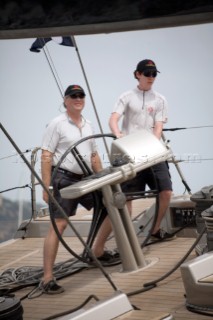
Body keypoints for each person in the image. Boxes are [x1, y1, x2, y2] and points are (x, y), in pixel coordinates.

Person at [40, 84, 116, 294]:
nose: (78, 98)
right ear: (65, 101)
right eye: (73, 96)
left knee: (111, 206)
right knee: (60, 225)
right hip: (63, 179)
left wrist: (103, 180)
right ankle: (47, 279)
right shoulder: (56, 124)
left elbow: (94, 155)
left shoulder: (89, 125)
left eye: (81, 95)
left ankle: (97, 251)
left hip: (87, 179)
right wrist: (46, 186)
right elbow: (46, 155)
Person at [108, 59, 174, 241]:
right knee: (127, 197)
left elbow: (158, 127)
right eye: (147, 73)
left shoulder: (160, 100)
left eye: (154, 74)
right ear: (138, 74)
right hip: (130, 153)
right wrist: (117, 134)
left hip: (153, 151)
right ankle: (128, 238)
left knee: (166, 191)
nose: (151, 77)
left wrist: (152, 146)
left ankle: (155, 230)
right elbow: (113, 119)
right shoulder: (126, 96)